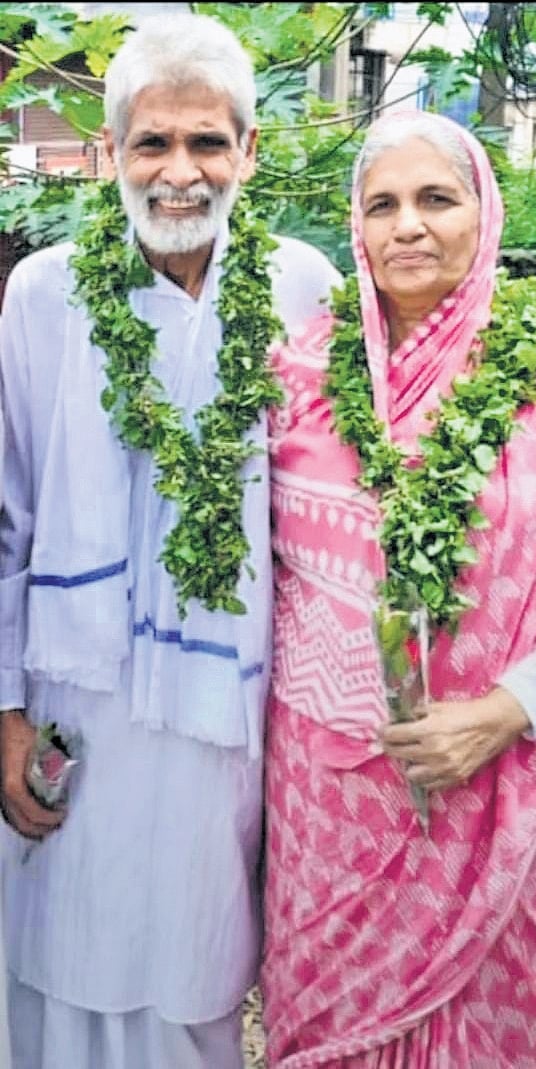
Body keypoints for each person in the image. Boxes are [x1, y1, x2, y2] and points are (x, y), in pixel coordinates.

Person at [0, 13, 340, 1069]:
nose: (179, 171)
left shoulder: (301, 289)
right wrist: (7, 712)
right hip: (78, 688)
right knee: (60, 943)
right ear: (109, 155)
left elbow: (402, 429)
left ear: (248, 150)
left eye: (206, 141)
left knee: (197, 958)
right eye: (152, 142)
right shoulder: (43, 293)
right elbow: (10, 516)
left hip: (224, 708)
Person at [261, 110, 536, 1068]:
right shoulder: (292, 374)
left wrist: (503, 713)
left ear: (482, 214)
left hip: (490, 782)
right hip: (322, 803)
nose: (406, 226)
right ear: (356, 227)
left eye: (435, 199)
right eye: (381, 205)